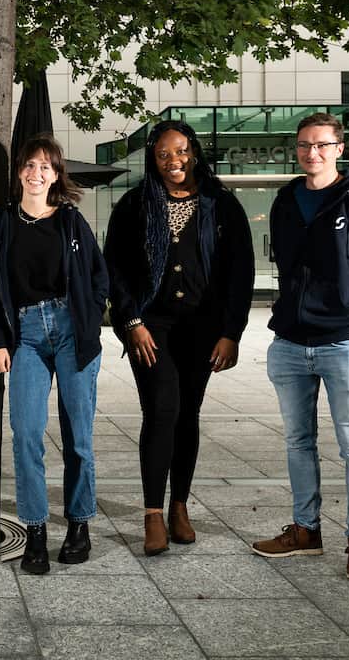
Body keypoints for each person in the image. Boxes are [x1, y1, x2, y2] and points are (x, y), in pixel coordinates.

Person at [252, 112, 349, 581]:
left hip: (343, 341)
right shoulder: (285, 200)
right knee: (298, 441)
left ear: (338, 148)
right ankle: (305, 531)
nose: (310, 152)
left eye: (320, 145)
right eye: (303, 145)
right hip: (291, 341)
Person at [104, 120, 254, 556]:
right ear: (153, 159)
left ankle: (179, 507)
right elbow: (114, 268)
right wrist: (131, 322)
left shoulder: (221, 204)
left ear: (195, 153)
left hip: (202, 328)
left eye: (182, 151)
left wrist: (232, 333)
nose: (174, 161)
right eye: (164, 154)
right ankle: (152, 513)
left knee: (188, 413)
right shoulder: (135, 204)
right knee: (162, 407)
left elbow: (240, 273)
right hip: (150, 326)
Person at [0, 134, 108, 574]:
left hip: (73, 332)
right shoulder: (0, 224)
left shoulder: (71, 222)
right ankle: (35, 531)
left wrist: (90, 319)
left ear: (56, 176)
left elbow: (97, 276)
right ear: (19, 172)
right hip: (26, 335)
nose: (37, 174)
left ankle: (78, 524)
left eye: (46, 167)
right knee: (27, 434)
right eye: (30, 165)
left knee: (79, 438)